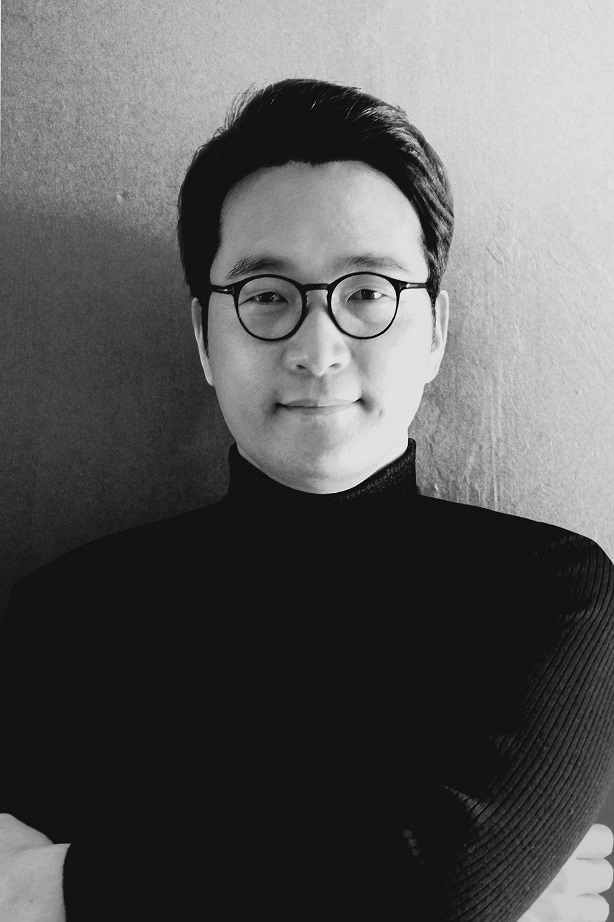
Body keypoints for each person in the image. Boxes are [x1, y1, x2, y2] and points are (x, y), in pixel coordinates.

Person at [1, 77, 613, 921]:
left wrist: (60, 889)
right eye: (265, 297)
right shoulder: (65, 618)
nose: (318, 349)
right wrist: (475, 893)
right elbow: (442, 888)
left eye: (367, 293)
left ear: (435, 332)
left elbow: (445, 886)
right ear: (203, 338)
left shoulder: (550, 591)